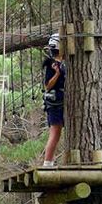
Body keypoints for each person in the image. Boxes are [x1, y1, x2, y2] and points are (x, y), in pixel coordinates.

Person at [42, 33, 65, 167]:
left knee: (58, 133)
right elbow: (48, 86)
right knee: (55, 132)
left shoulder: (65, 63)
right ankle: (47, 163)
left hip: (63, 102)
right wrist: (57, 73)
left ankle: (50, 161)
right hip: (55, 103)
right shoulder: (52, 64)